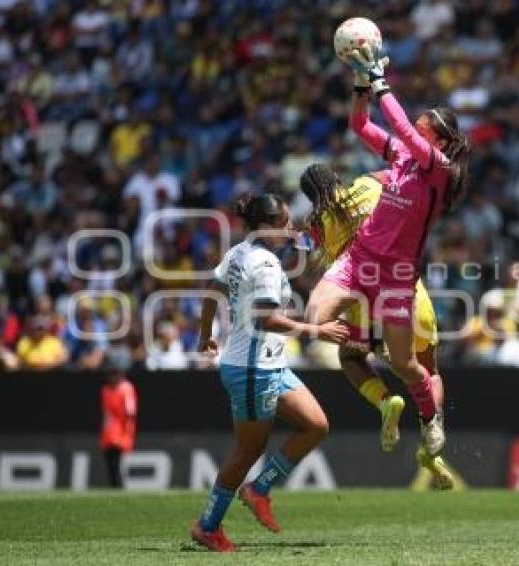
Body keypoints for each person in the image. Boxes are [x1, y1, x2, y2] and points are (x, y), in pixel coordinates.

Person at [304, 45, 470, 457]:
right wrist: (362, 85)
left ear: (443, 142)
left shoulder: (439, 169)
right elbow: (359, 124)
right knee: (313, 316)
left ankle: (429, 418)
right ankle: (370, 381)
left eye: (423, 127)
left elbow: (404, 133)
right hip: (359, 259)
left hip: (397, 275)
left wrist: (381, 84)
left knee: (404, 365)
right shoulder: (402, 158)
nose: (412, 129)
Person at [190, 194, 349, 553]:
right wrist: (318, 332)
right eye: (286, 223)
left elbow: (211, 291)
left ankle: (259, 489)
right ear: (268, 227)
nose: (290, 228)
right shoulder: (263, 264)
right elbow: (266, 319)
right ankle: (207, 526)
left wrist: (204, 334)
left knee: (316, 425)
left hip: (269, 364)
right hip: (251, 369)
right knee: (248, 450)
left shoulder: (240, 253)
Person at [300, 163, 454, 489]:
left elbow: (317, 258)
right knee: (428, 371)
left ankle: (386, 402)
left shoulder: (316, 221)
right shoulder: (370, 184)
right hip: (407, 294)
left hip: (362, 303)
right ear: (338, 177)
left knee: (352, 358)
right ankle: (431, 429)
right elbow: (403, 173)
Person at [99, 358, 137, 488]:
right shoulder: (105, 390)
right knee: (109, 459)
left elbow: (129, 412)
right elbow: (106, 413)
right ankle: (114, 485)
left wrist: (127, 432)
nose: (111, 377)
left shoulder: (126, 388)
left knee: (118, 460)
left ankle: (119, 486)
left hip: (121, 430)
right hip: (109, 431)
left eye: (114, 373)